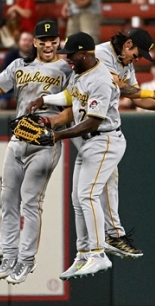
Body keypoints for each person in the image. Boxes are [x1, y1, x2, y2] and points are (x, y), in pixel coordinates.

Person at [0, 20, 73, 284]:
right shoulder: (20, 65)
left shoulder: (67, 68)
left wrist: (51, 124)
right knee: (8, 200)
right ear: (35, 42)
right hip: (19, 136)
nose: (48, 44)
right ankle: (9, 256)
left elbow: (73, 107)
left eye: (52, 40)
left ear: (58, 41)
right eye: (43, 40)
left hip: (46, 139)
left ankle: (26, 260)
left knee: (31, 202)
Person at [25, 32, 127, 279]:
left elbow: (92, 122)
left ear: (84, 53)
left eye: (70, 55)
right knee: (77, 198)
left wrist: (58, 136)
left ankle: (98, 254)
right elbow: (72, 96)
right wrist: (44, 99)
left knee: (88, 195)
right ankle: (83, 255)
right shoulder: (81, 73)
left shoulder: (101, 79)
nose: (66, 58)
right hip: (89, 143)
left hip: (104, 140)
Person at [93, 28, 155, 258]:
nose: (137, 59)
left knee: (95, 186)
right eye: (137, 53)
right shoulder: (101, 54)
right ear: (127, 43)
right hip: (88, 124)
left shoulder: (126, 62)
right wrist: (152, 94)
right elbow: (122, 87)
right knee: (97, 185)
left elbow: (136, 97)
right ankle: (110, 236)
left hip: (103, 125)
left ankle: (103, 239)